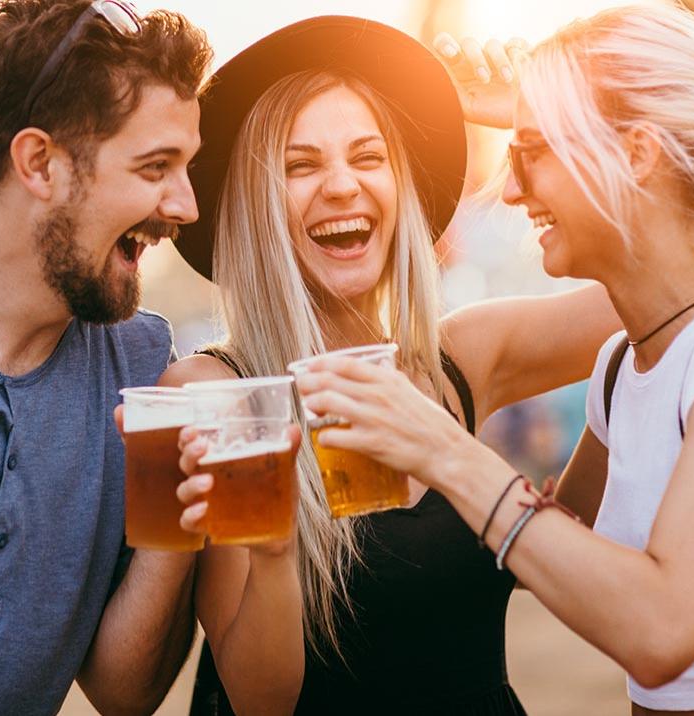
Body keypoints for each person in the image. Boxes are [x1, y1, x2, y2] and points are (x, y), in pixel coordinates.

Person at [296, 4, 694, 714]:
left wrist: (445, 450)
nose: (510, 189)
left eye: (532, 153)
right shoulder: (623, 364)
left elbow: (661, 631)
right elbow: (554, 550)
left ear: (636, 154)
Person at [167, 16, 620, 716]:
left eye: (368, 156)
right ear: (256, 205)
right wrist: (274, 554)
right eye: (301, 165)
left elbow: (672, 282)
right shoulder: (218, 392)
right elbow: (261, 700)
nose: (342, 185)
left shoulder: (460, 359)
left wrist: (552, 123)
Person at [0, 1, 212, 713]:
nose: (185, 206)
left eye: (186, 167)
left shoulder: (144, 369)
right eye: (156, 166)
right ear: (40, 163)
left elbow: (124, 696)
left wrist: (176, 511)